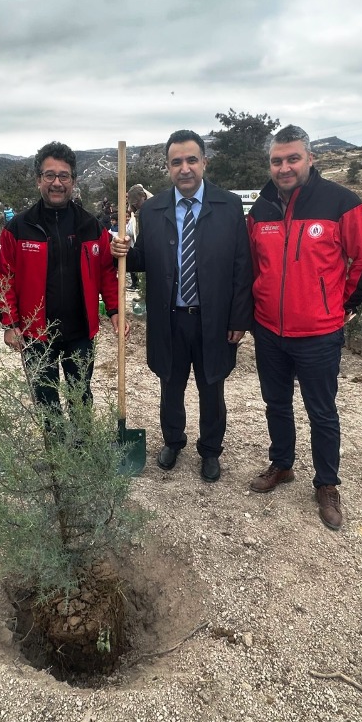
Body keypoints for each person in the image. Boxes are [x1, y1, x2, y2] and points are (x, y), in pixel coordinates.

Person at [245, 125, 362, 530]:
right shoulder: (262, 208)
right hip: (269, 329)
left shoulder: (340, 202)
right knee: (276, 403)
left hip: (319, 333)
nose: (284, 167)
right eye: (276, 160)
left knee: (321, 411)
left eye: (292, 158)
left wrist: (345, 305)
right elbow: (252, 265)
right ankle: (282, 464)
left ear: (310, 159)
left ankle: (326, 483)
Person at [110, 129, 252, 483]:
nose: (184, 168)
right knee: (170, 384)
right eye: (177, 162)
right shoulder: (154, 209)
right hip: (169, 318)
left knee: (211, 386)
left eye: (191, 160)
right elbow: (147, 260)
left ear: (204, 162)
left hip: (213, 319)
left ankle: (210, 449)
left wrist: (238, 317)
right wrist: (125, 253)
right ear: (168, 167)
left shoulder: (228, 206)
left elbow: (241, 265)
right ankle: (173, 440)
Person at [0, 141, 120, 414]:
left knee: (80, 396)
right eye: (49, 175)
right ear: (39, 179)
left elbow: (106, 272)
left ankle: (81, 451)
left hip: (80, 332)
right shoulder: (19, 228)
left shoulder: (90, 225)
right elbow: (4, 276)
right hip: (36, 334)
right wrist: (9, 323)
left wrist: (115, 310)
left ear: (73, 181)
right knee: (46, 400)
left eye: (64, 176)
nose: (56, 182)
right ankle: (56, 454)